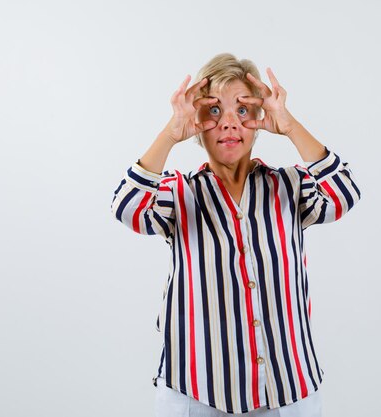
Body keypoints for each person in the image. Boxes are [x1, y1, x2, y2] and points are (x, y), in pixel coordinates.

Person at [110, 53, 361, 416]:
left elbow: (344, 193)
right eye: (214, 111)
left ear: (260, 119)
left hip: (287, 388)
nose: (229, 123)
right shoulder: (179, 192)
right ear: (197, 120)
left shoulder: (289, 186)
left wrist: (290, 126)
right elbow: (127, 208)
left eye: (243, 110)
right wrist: (171, 131)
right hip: (197, 391)